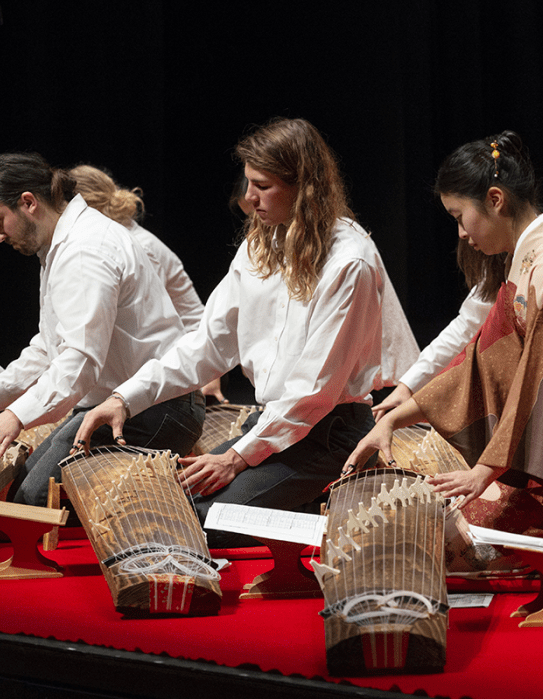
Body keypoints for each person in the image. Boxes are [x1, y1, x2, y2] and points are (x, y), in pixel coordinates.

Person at [74, 117, 418, 546]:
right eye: (248, 182)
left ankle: (318, 520)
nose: (249, 197)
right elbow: (206, 345)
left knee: (197, 522)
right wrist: (126, 398)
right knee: (162, 504)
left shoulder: (350, 261)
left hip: (329, 433)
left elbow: (313, 391)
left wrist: (236, 458)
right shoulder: (261, 243)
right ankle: (299, 512)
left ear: (304, 187)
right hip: (273, 426)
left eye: (263, 185)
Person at [345, 131, 543, 552]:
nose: (461, 234)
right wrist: (392, 420)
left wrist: (486, 469)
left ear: (495, 199)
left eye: (458, 217)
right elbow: (483, 363)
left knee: (459, 543)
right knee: (441, 535)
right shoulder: (530, 263)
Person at [0, 153, 204, 506]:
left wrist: (15, 416)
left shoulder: (85, 249)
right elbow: (51, 347)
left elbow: (79, 360)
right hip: (115, 405)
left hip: (157, 408)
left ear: (28, 203)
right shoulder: (65, 244)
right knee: (21, 492)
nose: (0, 235)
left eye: (0, 219)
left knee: (37, 501)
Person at [68, 164, 232, 403]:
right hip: (157, 360)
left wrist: (209, 374)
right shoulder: (109, 240)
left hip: (192, 362)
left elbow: (147, 327)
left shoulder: (136, 246)